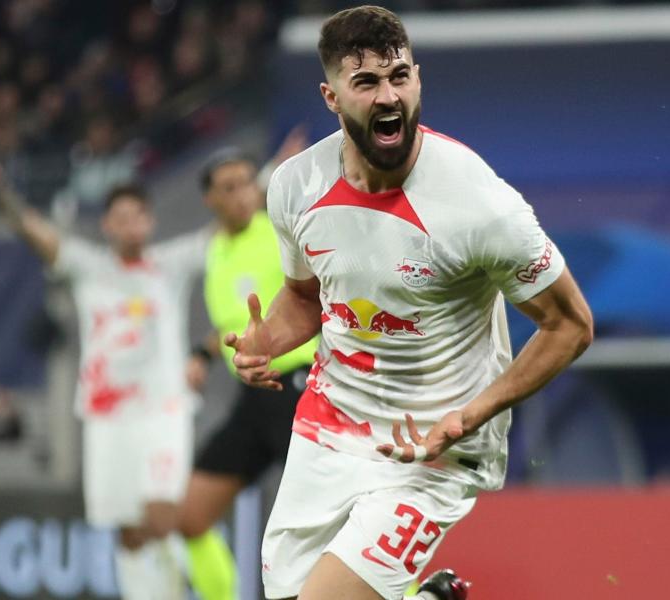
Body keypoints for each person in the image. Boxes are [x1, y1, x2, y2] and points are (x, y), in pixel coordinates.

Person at [225, 7, 593, 600]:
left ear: (418, 78)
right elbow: (306, 298)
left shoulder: (478, 203)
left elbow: (570, 325)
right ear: (331, 95)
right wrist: (266, 340)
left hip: (433, 446)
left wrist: (471, 415)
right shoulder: (295, 186)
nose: (388, 95)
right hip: (329, 424)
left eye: (399, 76)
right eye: (366, 82)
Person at [0, 134, 208, 600]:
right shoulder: (88, 266)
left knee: (162, 515)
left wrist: (269, 177)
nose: (130, 224)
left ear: (150, 222)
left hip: (164, 409)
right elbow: (30, 229)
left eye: (137, 215)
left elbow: (227, 228)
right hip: (107, 414)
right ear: (108, 225)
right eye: (120, 217)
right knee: (129, 529)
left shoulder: (169, 265)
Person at [175, 143, 318, 600]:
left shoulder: (282, 230)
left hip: (301, 390)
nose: (241, 195)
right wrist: (204, 355)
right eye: (228, 188)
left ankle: (415, 594)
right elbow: (235, 326)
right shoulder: (215, 250)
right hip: (255, 399)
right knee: (192, 517)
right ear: (209, 200)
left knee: (335, 521)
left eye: (247, 184)